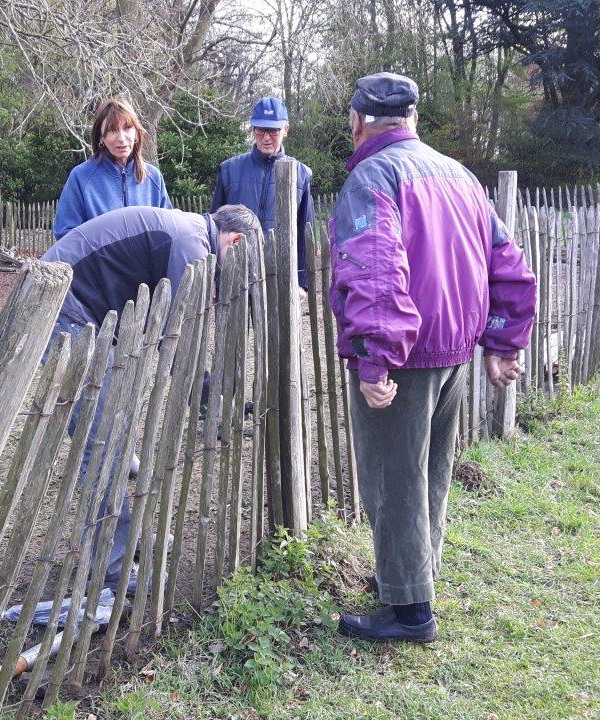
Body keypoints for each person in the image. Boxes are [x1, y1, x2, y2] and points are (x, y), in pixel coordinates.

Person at [328, 72, 536, 643]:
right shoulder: (459, 175)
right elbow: (507, 263)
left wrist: (375, 357)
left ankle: (409, 613)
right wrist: (501, 341)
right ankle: (409, 579)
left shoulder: (373, 177)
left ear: (357, 122)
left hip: (406, 357)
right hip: (452, 353)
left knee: (393, 478)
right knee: (430, 475)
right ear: (414, 118)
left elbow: (374, 268)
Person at [41, 203, 260, 586]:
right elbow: (179, 336)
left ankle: (125, 537)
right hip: (64, 312)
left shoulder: (192, 235)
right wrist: (210, 400)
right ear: (236, 240)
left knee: (116, 433)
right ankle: (110, 565)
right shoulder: (191, 247)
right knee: (102, 440)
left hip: (88, 316)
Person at [210, 96, 314, 289]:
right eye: (260, 129)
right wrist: (215, 275)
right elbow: (215, 227)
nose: (266, 137)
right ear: (252, 129)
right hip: (236, 275)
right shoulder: (229, 170)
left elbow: (304, 230)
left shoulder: (301, 174)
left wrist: (302, 283)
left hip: (281, 277)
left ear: (286, 130)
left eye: (274, 130)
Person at [53, 98, 172, 241]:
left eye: (127, 128)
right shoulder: (81, 177)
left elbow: (168, 230)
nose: (121, 138)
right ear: (101, 137)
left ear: (136, 132)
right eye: (112, 130)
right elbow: (65, 234)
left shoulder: (153, 177)